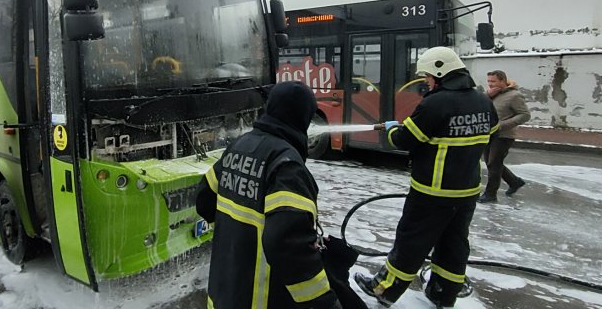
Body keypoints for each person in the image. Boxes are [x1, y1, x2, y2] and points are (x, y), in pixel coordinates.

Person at [354, 47, 498, 308]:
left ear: (440, 72)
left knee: (411, 241)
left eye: (428, 77)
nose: (426, 82)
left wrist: (392, 130)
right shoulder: (483, 101)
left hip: (432, 192)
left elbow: (406, 140)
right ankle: (443, 293)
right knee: (454, 244)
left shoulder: (435, 103)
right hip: (466, 192)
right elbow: (493, 132)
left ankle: (384, 290)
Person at [195, 81, 342, 309]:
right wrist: (324, 302)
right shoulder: (287, 166)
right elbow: (287, 244)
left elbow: (204, 201)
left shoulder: (238, 147)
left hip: (222, 297)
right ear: (302, 117)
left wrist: (236, 235)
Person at [478, 70, 530, 203]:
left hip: (503, 135)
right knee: (492, 163)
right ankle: (514, 182)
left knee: (494, 163)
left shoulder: (514, 95)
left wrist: (503, 125)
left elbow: (524, 115)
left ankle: (490, 194)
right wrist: (487, 95)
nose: (490, 84)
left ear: (502, 81)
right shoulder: (490, 94)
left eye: (493, 81)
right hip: (487, 133)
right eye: (488, 81)